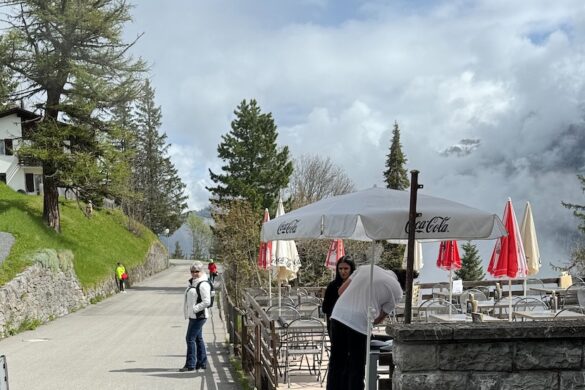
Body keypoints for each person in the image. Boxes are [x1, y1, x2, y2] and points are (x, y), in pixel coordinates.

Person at [326, 265, 417, 390]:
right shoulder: (397, 291)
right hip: (360, 323)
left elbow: (341, 291)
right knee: (356, 366)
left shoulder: (367, 268)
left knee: (336, 362)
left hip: (338, 315)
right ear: (404, 284)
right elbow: (379, 318)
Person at [180, 261, 211, 372]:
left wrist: (195, 309)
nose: (194, 273)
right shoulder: (194, 282)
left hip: (199, 316)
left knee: (190, 338)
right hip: (194, 316)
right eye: (192, 271)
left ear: (201, 271)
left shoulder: (202, 284)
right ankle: (202, 362)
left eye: (196, 271)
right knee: (198, 338)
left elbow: (207, 301)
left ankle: (190, 364)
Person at [321, 256, 356, 337]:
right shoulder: (332, 286)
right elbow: (325, 308)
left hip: (353, 325)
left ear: (352, 269)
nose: (343, 271)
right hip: (336, 325)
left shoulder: (357, 285)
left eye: (346, 268)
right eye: (340, 268)